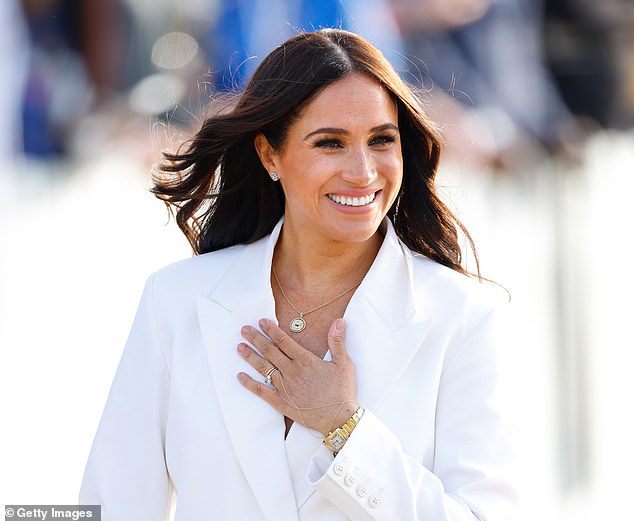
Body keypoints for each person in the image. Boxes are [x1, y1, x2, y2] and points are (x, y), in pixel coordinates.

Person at [79, 29, 518, 520]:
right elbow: (113, 502)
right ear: (270, 155)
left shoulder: (465, 316)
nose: (363, 171)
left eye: (381, 141)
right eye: (330, 143)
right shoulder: (175, 300)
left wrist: (343, 427)